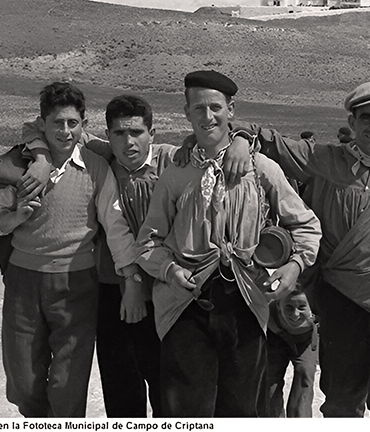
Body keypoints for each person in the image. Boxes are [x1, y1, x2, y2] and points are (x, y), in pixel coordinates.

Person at [14, 94, 252, 417]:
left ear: (152, 134)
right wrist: (41, 158)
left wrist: (241, 139)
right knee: (121, 389)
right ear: (107, 135)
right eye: (119, 133)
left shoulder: (174, 160)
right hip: (115, 292)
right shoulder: (101, 156)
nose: (128, 142)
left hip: (169, 292)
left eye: (137, 132)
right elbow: (37, 126)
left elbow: (216, 139)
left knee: (171, 391)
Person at [231, 81, 370, 417]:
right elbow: (268, 140)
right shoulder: (325, 160)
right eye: (366, 118)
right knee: (341, 402)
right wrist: (240, 138)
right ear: (352, 122)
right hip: (340, 304)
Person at [136, 70, 322, 417]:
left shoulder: (261, 168)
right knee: (185, 408)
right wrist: (170, 270)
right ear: (187, 113)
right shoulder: (176, 173)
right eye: (199, 109)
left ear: (231, 110)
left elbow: (307, 226)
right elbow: (148, 242)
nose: (208, 117)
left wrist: (293, 267)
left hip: (247, 305)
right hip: (185, 306)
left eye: (215, 107)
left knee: (240, 408)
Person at [0, 82, 140, 417]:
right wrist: (17, 216)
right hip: (24, 284)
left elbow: (114, 225)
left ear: (84, 125)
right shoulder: (20, 164)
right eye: (57, 123)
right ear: (42, 124)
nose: (65, 131)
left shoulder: (97, 168)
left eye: (73, 123)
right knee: (24, 380)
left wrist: (130, 277)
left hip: (77, 284)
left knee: (68, 382)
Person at [266, 283, 318, 418]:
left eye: (302, 307)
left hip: (306, 341)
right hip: (276, 338)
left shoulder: (319, 314)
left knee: (305, 371)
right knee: (270, 377)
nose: (295, 314)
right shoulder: (268, 312)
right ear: (278, 305)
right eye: (288, 307)